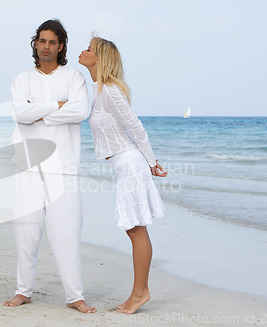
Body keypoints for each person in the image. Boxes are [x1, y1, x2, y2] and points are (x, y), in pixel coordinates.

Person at [3, 19, 96, 313]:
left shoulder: (74, 77)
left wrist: (38, 113)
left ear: (61, 46)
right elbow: (20, 113)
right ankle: (23, 291)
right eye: (41, 41)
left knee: (66, 234)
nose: (46, 47)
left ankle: (75, 296)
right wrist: (57, 106)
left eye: (52, 42)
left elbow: (80, 110)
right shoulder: (21, 80)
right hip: (27, 166)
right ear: (35, 44)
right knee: (26, 233)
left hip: (64, 167)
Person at [78, 36, 167, 314]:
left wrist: (152, 162)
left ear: (100, 57)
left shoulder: (110, 91)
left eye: (89, 49)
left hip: (131, 164)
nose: (83, 51)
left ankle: (140, 293)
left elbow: (136, 128)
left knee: (136, 228)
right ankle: (139, 292)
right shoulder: (98, 89)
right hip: (125, 164)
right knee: (135, 228)